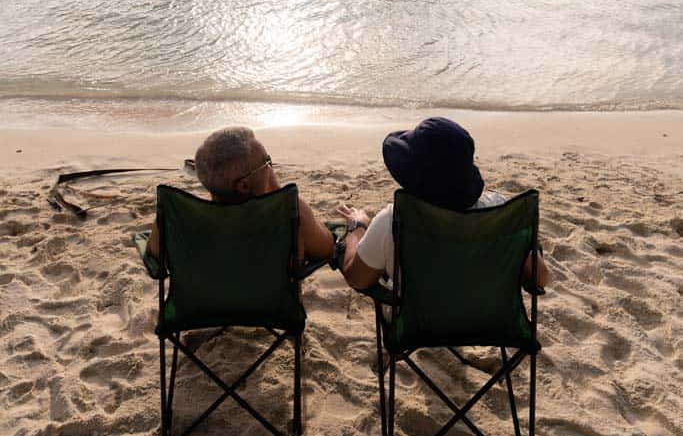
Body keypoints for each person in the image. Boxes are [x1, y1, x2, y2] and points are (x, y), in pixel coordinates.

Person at [338, 116, 548, 291]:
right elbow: (539, 280)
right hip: (488, 324)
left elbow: (357, 278)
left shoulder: (393, 221)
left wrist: (358, 227)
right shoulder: (499, 213)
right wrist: (529, 244)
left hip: (417, 327)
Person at [148, 126, 333, 262]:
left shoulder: (177, 219)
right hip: (272, 312)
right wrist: (279, 196)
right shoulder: (292, 213)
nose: (270, 166)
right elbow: (327, 248)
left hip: (199, 314)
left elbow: (154, 254)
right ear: (244, 185)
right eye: (266, 161)